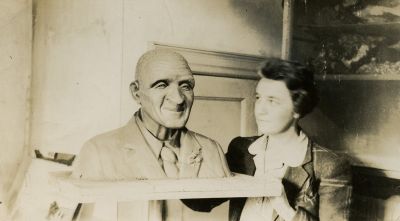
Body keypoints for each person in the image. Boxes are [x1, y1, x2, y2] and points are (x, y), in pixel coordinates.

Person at [71, 49, 231, 220]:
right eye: (161, 85)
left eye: (186, 86)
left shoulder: (212, 150)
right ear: (136, 92)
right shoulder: (97, 152)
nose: (178, 99)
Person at [226, 58, 352, 221]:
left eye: (272, 101)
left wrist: (284, 207)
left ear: (297, 109)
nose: (260, 110)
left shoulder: (330, 165)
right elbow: (202, 203)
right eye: (258, 98)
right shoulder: (242, 148)